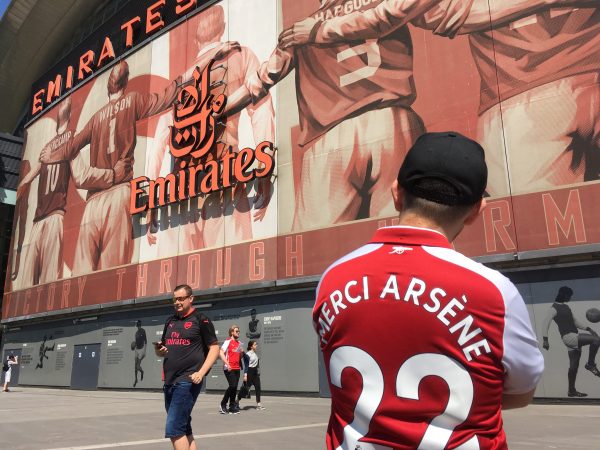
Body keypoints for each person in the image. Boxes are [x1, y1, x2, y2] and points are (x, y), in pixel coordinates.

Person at [313, 131, 544, 449]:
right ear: (477, 210)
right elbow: (521, 393)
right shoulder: (494, 293)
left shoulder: (332, 278)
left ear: (396, 193)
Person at [279, 0, 599, 197]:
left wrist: (322, 30)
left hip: (524, 104)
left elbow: (433, 14)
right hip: (526, 105)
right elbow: (432, 14)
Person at [224, 0, 425, 231]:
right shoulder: (384, 5)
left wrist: (218, 109)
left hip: (333, 139)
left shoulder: (299, 30)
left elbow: (261, 80)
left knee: (316, 245)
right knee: (407, 235)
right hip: (395, 123)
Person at [146, 4, 275, 255]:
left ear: (195, 39)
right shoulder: (242, 55)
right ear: (223, 29)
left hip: (180, 186)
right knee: (233, 272)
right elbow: (261, 109)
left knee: (178, 280)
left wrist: (152, 201)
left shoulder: (182, 81)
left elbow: (162, 131)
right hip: (224, 172)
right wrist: (264, 167)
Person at [40, 59, 180, 275]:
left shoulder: (96, 118)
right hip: (119, 194)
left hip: (93, 203)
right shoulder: (132, 100)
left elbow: (70, 148)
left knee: (82, 278)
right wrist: (186, 78)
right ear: (126, 82)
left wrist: (49, 156)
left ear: (109, 86)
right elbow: (166, 98)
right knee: (112, 276)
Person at [11, 96, 128, 288]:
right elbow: (27, 180)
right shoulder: (48, 147)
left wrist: (112, 175)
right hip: (39, 220)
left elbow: (80, 177)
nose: (64, 101)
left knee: (47, 283)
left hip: (54, 215)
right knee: (28, 287)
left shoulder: (69, 140)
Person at [154, 284, 219, 450]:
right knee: (183, 427)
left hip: (188, 380)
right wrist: (159, 350)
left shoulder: (201, 319)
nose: (177, 302)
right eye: (175, 299)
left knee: (174, 428)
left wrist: (201, 372)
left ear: (191, 299)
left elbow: (214, 348)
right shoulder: (170, 321)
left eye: (181, 298)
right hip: (169, 381)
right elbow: (163, 352)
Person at [542, 286, 600, 397]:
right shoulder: (553, 308)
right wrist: (545, 340)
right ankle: (590, 364)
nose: (570, 298)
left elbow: (575, 322)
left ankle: (571, 391)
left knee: (573, 367)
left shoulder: (566, 307)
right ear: (564, 295)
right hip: (569, 337)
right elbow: (546, 323)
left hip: (574, 335)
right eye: (569, 296)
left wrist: (589, 329)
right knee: (596, 340)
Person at [219, 324, 244, 414]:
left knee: (234, 388)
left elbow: (238, 357)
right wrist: (227, 363)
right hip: (229, 368)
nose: (238, 332)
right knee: (232, 386)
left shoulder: (238, 343)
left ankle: (232, 406)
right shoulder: (228, 341)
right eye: (236, 331)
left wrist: (241, 353)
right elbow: (221, 352)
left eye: (238, 331)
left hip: (237, 368)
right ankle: (223, 404)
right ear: (232, 332)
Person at [236, 340, 265, 410]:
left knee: (258, 387)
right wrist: (245, 375)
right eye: (255, 345)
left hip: (255, 373)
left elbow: (257, 364)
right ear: (251, 346)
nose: (256, 346)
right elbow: (246, 365)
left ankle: (258, 404)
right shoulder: (248, 354)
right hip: (249, 372)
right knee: (245, 389)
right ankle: (236, 401)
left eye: (256, 344)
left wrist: (258, 372)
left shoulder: (255, 354)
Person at [132, 320, 147, 387]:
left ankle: (142, 372)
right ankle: (136, 379)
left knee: (138, 366)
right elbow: (136, 341)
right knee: (135, 366)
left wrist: (144, 350)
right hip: (136, 350)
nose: (138, 326)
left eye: (139, 324)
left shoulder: (143, 331)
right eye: (138, 325)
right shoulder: (136, 333)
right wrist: (134, 345)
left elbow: (146, 340)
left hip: (141, 349)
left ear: (140, 325)